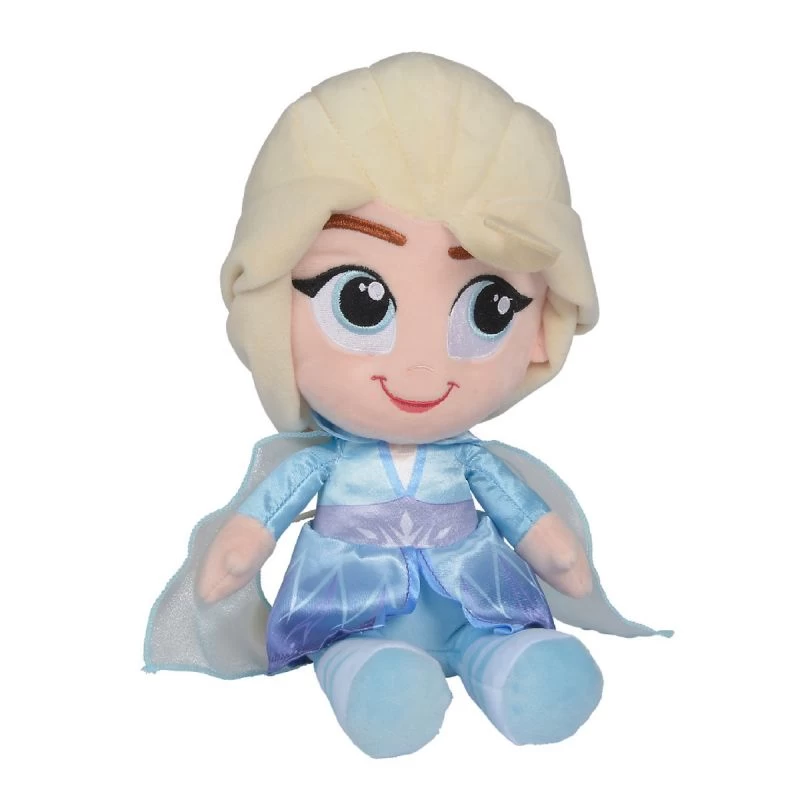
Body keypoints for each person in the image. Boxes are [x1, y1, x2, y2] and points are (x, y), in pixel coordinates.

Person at [144, 53, 668, 759]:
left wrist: (556, 551)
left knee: (502, 640)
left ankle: (504, 662)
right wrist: (240, 549)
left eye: (489, 306)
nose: (422, 365)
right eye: (360, 301)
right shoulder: (326, 465)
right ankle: (361, 670)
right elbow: (261, 518)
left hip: (473, 587)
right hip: (349, 596)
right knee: (364, 663)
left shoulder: (471, 462)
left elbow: (525, 518)